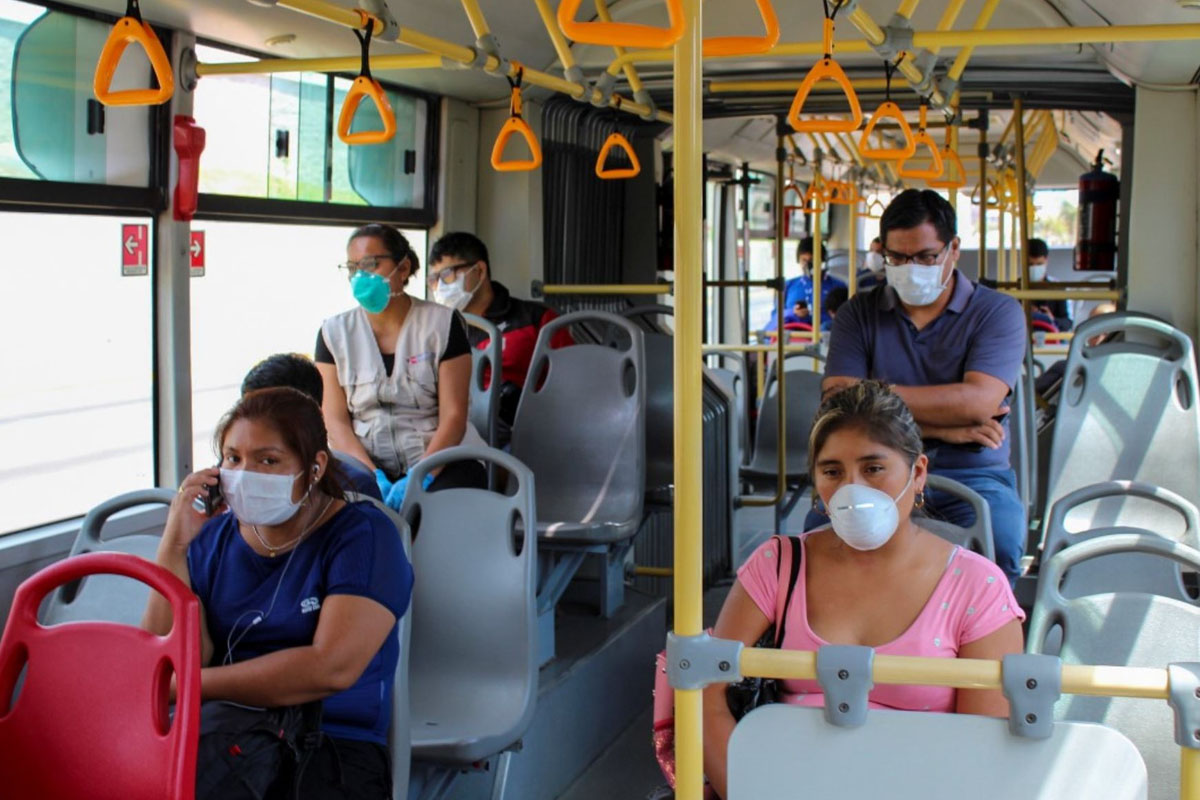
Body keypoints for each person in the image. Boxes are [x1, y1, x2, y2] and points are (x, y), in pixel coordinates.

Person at [703, 382, 1023, 799]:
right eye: (833, 472)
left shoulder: (977, 588)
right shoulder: (777, 567)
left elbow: (981, 752)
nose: (852, 491)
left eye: (873, 469)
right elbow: (706, 697)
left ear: (918, 473)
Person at [145, 387, 414, 798]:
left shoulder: (363, 537)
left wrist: (195, 685)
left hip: (329, 741)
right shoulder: (212, 538)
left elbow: (330, 667)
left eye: (268, 460)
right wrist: (174, 547)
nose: (245, 473)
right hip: (221, 728)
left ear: (315, 467)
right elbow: (172, 661)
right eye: (233, 458)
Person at [814, 189, 1028, 583]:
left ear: (953, 250)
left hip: (971, 471)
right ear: (882, 253)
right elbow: (837, 405)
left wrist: (872, 396)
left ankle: (986, 642)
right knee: (817, 537)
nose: (912, 268)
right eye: (898, 258)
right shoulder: (857, 314)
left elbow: (978, 403)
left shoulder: (997, 313)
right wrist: (948, 427)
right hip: (874, 465)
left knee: (1001, 539)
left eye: (927, 257)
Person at [315, 223, 486, 510]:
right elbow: (335, 422)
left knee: (438, 511)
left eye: (371, 264)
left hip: (440, 459)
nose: (361, 276)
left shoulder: (443, 324)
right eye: (353, 267)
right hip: (364, 461)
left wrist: (421, 477)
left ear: (403, 269)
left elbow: (454, 415)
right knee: (341, 510)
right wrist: (372, 475)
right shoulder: (334, 333)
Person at [427, 231, 572, 447]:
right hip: (451, 430)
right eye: (434, 279)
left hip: (522, 434)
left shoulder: (535, 320)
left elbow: (571, 384)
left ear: (480, 270)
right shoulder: (435, 329)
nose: (440, 286)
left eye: (447, 274)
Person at [241, 353, 381, 500]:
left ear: (313, 416)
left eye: (269, 417)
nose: (253, 428)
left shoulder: (355, 489)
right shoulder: (230, 479)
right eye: (247, 413)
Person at [764, 237, 846, 331]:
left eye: (812, 260)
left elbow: (845, 318)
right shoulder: (787, 286)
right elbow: (775, 317)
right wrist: (793, 312)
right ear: (798, 261)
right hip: (794, 335)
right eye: (804, 260)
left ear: (822, 261)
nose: (807, 265)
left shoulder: (838, 286)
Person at [1027, 237, 1072, 330]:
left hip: (1052, 340)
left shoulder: (1058, 288)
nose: (1035, 268)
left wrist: (1051, 319)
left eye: (1039, 264)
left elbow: (1068, 323)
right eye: (1030, 265)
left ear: (1046, 260)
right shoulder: (1015, 289)